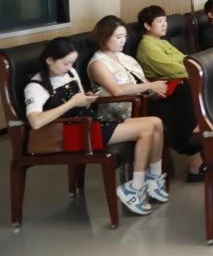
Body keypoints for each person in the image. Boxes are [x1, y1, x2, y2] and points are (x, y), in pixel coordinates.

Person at [26, 36, 168, 215]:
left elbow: (79, 101)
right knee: (146, 129)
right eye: (65, 63)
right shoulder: (35, 86)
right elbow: (36, 122)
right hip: (72, 133)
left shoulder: (70, 73)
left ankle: (154, 178)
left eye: (72, 63)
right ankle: (134, 188)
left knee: (156, 122)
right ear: (49, 60)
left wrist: (86, 99)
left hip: (90, 124)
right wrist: (72, 103)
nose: (69, 68)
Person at [134, 5, 205, 180]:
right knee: (189, 92)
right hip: (162, 94)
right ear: (147, 25)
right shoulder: (147, 46)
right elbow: (174, 70)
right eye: (159, 21)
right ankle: (196, 159)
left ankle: (206, 147)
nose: (164, 24)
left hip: (178, 86)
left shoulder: (163, 42)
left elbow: (185, 61)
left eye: (165, 20)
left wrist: (197, 69)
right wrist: (198, 71)